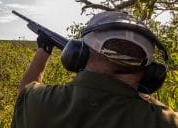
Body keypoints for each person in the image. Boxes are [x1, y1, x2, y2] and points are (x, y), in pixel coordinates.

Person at [11, 11, 178, 128]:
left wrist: (44, 48)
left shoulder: (36, 103)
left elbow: (25, 92)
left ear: (78, 53)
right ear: (150, 74)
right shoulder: (165, 122)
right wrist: (153, 103)